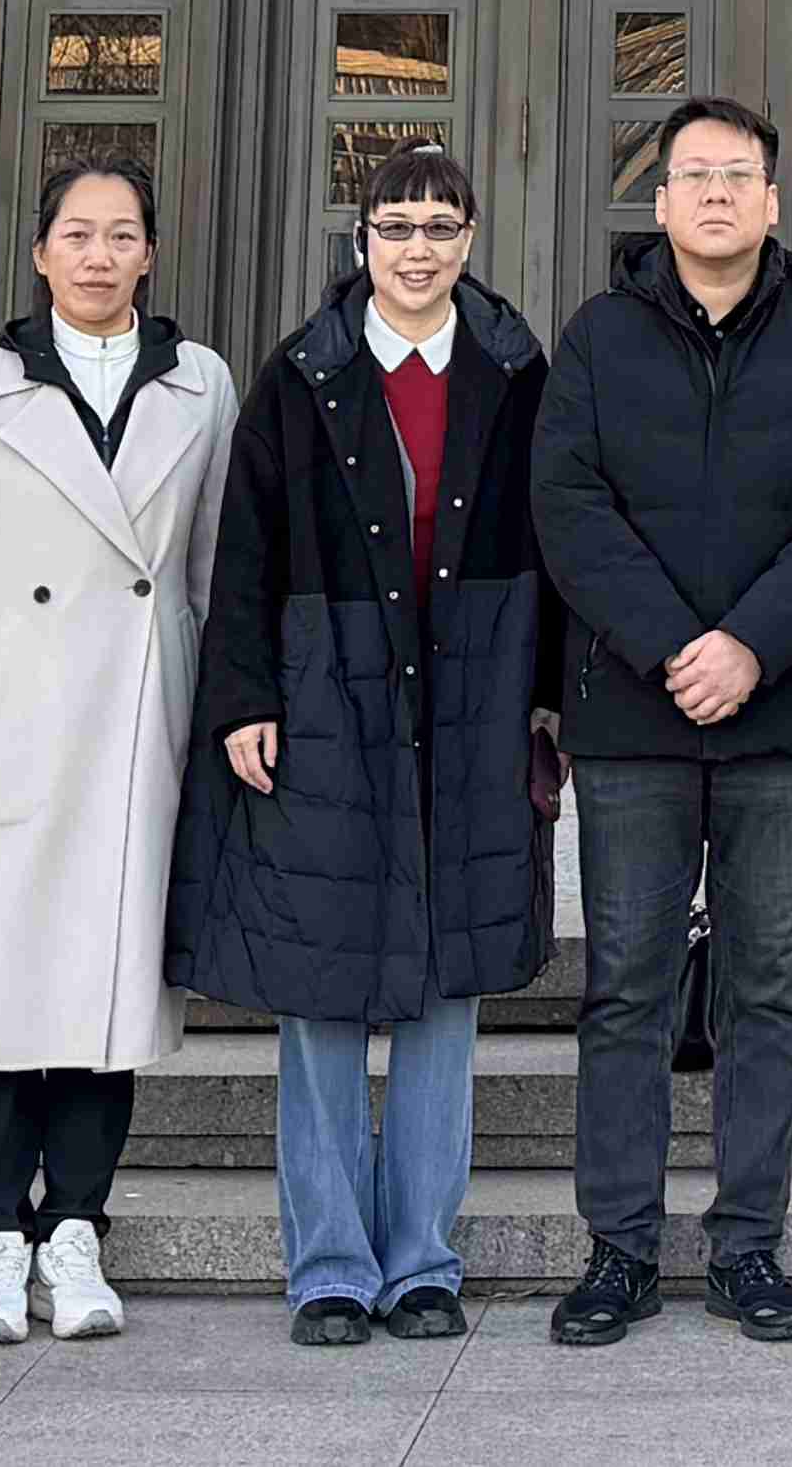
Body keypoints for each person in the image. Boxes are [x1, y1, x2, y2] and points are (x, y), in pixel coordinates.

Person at [173, 143, 565, 1348]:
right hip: (326, 697)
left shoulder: (515, 370)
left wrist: (552, 702)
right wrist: (243, 699)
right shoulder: (304, 373)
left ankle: (425, 1262)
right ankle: (333, 1267)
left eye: (440, 227)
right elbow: (245, 550)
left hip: (475, 699)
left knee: (447, 988)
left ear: (469, 241)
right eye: (396, 226)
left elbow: (557, 545)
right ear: (362, 243)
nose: (417, 248)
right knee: (322, 990)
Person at [529, 91, 792, 1348]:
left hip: (778, 715)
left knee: (769, 984)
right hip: (631, 716)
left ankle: (748, 1247)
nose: (718, 193)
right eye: (696, 174)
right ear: (662, 199)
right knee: (626, 985)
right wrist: (675, 646)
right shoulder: (599, 336)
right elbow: (569, 506)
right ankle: (619, 1249)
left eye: (740, 174)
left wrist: (750, 646)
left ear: (773, 199)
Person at [0, 155, 237, 1352]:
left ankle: (78, 1224)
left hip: (138, 716)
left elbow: (211, 567)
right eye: (78, 234)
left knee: (108, 976)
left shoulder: (201, 383)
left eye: (122, 234)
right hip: (7, 720)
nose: (100, 255)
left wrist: (211, 712)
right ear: (41, 252)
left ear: (151, 253)